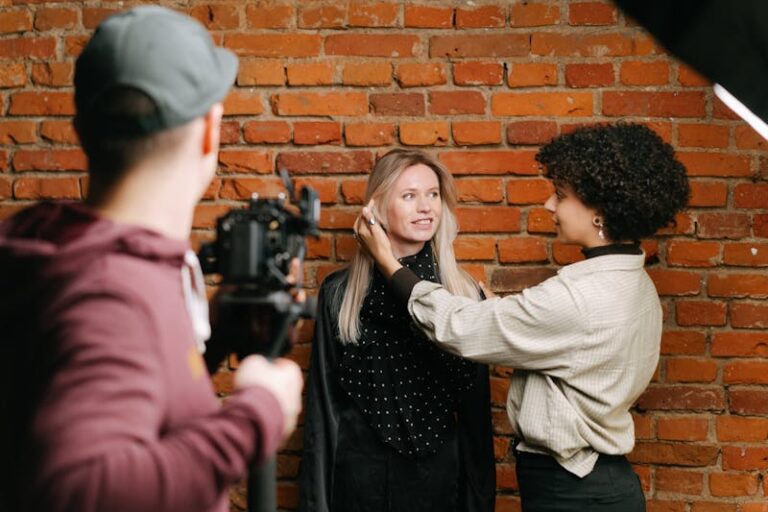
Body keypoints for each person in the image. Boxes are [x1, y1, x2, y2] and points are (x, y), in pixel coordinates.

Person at [0, 7, 302, 512]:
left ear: (81, 129)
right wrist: (259, 416)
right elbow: (80, 488)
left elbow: (122, 395)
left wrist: (218, 339)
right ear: (210, 130)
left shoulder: (79, 250)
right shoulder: (112, 291)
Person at [356, 124, 690, 511]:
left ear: (599, 213)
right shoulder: (635, 284)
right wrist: (510, 317)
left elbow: (458, 327)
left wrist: (387, 262)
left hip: (573, 491)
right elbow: (570, 341)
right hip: (599, 483)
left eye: (561, 196)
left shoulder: (576, 298)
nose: (550, 205)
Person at [299, 149, 496, 512]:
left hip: (440, 489)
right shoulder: (340, 294)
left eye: (433, 194)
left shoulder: (464, 296)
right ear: (376, 209)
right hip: (358, 488)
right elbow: (322, 415)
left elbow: (476, 427)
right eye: (409, 196)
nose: (426, 207)